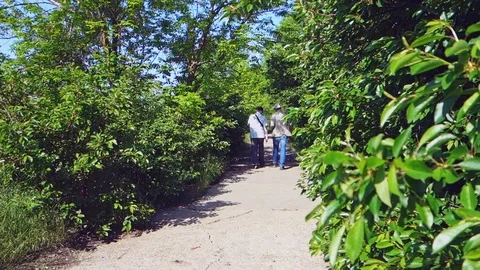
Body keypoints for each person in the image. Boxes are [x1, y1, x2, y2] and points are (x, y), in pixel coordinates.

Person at [270, 104, 291, 170]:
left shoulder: (273, 115)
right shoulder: (286, 115)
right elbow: (289, 125)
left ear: (275, 109)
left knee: (275, 148)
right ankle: (282, 165)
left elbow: (272, 125)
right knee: (283, 149)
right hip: (284, 134)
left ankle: (275, 163)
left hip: (276, 134)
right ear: (280, 108)